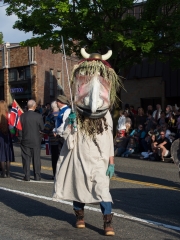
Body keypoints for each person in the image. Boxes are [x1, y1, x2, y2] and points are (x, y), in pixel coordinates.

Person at [53, 48, 124, 236]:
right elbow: (66, 136)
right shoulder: (75, 112)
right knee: (79, 187)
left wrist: (111, 162)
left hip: (99, 159)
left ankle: (107, 223)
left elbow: (109, 137)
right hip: (80, 156)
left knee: (102, 190)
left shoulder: (106, 114)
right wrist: (70, 124)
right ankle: (79, 217)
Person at [19, 100, 44, 181]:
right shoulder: (38, 116)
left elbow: (19, 129)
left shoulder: (22, 116)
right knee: (36, 158)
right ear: (33, 106)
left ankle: (27, 175)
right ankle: (37, 176)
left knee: (26, 158)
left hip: (25, 139)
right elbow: (42, 128)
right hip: (36, 139)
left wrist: (20, 139)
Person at [43, 101, 60, 179]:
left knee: (55, 158)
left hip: (53, 140)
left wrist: (43, 131)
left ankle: (55, 174)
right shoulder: (62, 114)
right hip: (62, 140)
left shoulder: (50, 116)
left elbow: (46, 128)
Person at [0, 100, 15, 178]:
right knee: (8, 153)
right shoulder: (9, 115)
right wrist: (13, 133)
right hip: (8, 135)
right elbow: (12, 128)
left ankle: (3, 173)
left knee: (1, 154)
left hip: (0, 136)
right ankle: (8, 173)